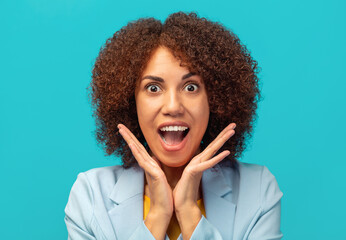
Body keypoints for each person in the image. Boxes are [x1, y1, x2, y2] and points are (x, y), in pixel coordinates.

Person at [65, 12, 283, 240]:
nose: (173, 106)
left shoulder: (258, 189)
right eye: (153, 88)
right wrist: (158, 215)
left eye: (190, 87)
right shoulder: (90, 194)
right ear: (131, 102)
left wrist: (189, 212)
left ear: (215, 99)